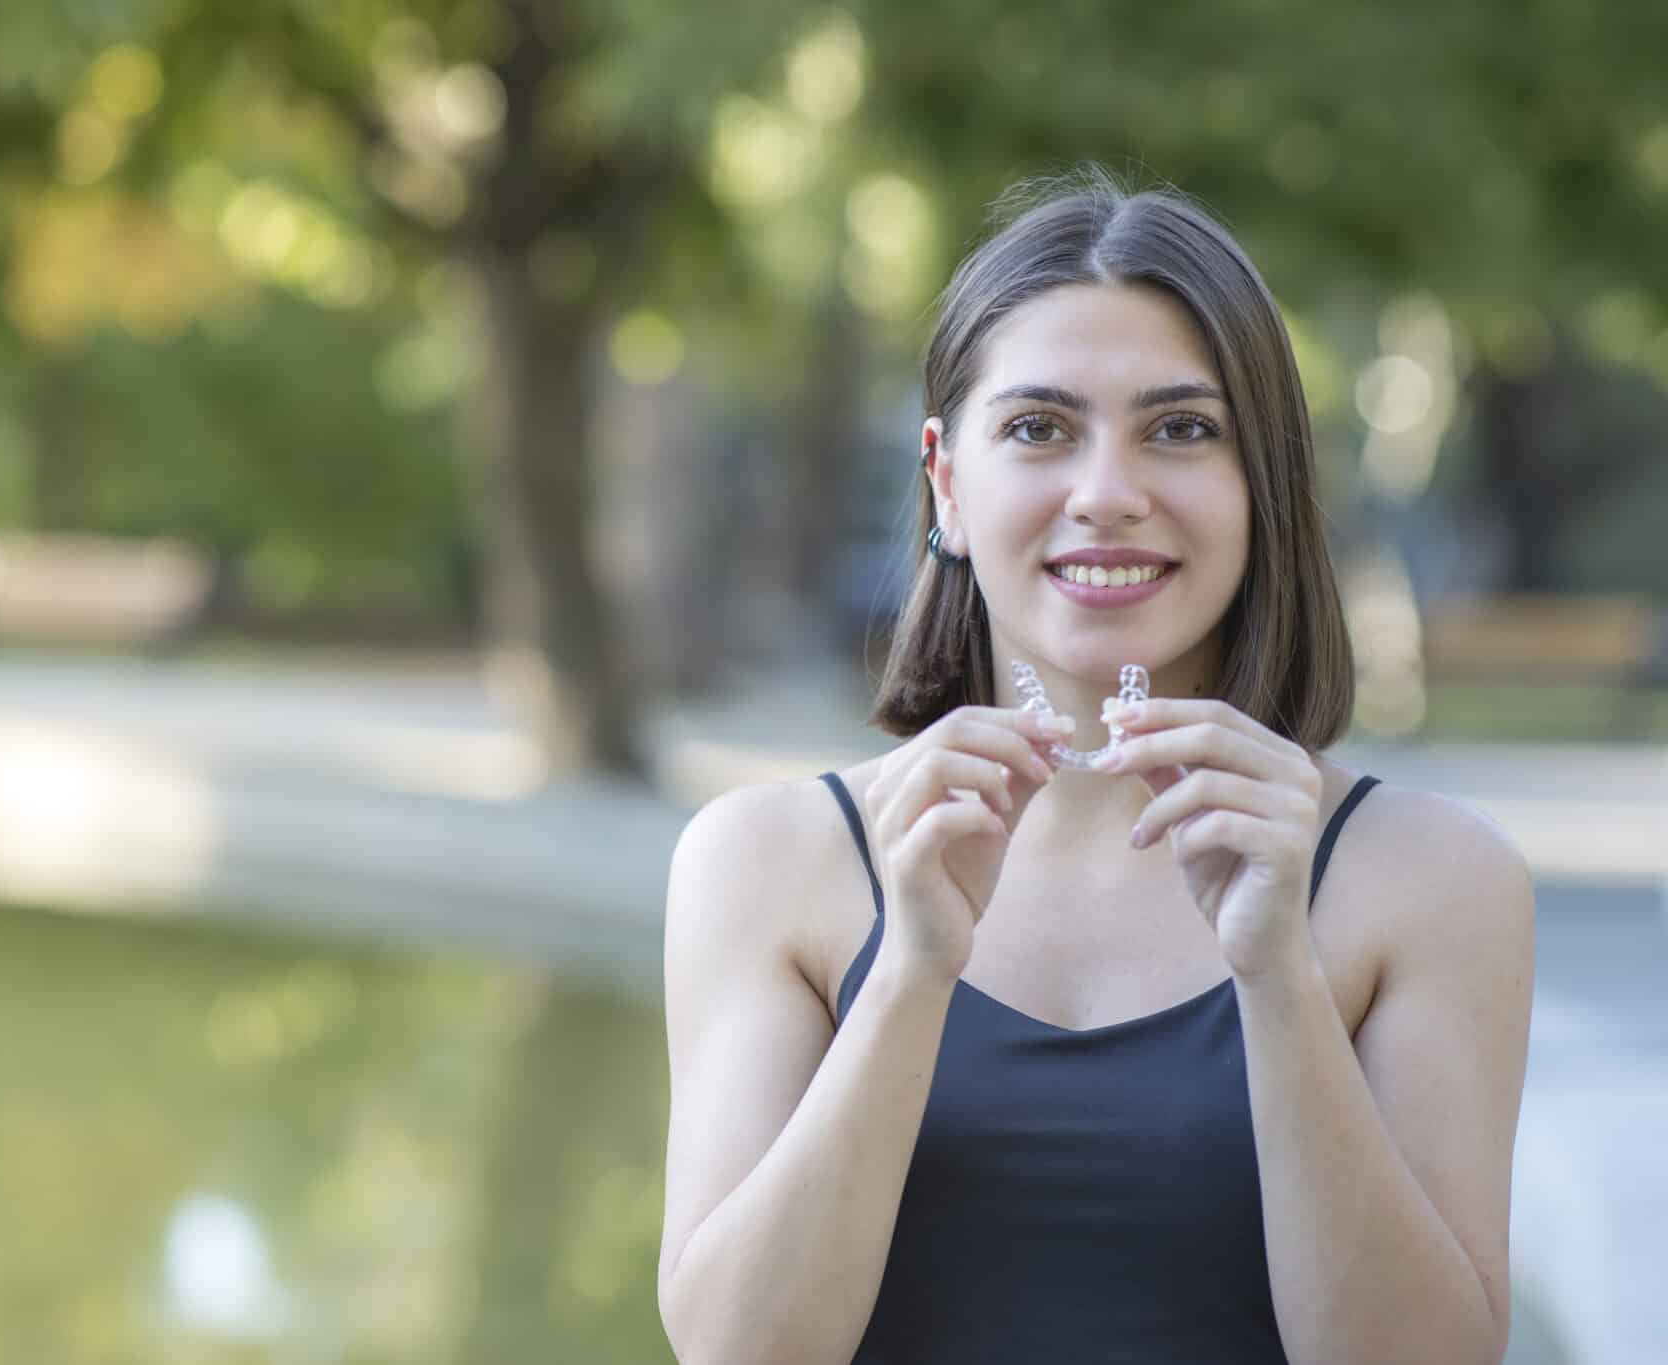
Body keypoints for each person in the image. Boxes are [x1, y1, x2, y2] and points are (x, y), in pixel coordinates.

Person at [656, 165, 1533, 1364]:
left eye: (1180, 429)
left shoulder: (1432, 877)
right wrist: (911, 969)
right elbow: (739, 1352)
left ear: (1262, 484)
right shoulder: (763, 860)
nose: (1106, 494)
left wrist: (1275, 974)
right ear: (946, 482)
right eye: (1037, 429)